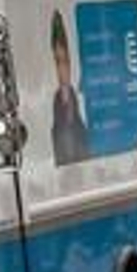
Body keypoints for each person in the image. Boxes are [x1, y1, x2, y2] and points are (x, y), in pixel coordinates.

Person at [50, 11, 91, 165]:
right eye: (58, 62)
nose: (62, 70)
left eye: (65, 62)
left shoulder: (77, 97)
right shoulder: (56, 104)